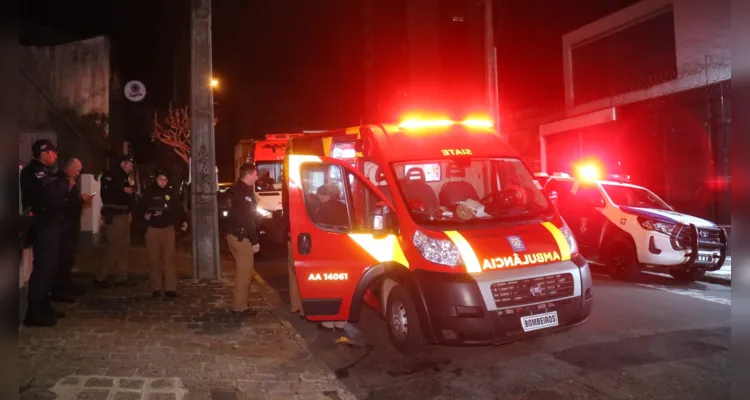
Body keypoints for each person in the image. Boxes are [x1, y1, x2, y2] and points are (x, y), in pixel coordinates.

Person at [19, 139, 69, 326]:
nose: (55, 156)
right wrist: (61, 184)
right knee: (43, 268)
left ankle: (44, 305)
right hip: (43, 224)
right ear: (44, 153)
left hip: (51, 224)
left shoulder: (46, 173)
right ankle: (34, 312)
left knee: (50, 268)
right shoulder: (34, 172)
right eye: (53, 152)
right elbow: (53, 197)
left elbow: (59, 198)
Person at [138, 170, 188, 299]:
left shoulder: (171, 193)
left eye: (165, 180)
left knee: (169, 259)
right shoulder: (149, 192)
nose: (163, 182)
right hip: (152, 229)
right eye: (160, 179)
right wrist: (145, 215)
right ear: (156, 179)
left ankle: (171, 288)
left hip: (168, 229)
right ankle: (156, 288)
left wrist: (184, 221)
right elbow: (140, 208)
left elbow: (178, 208)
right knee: (154, 259)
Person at [52, 158, 93, 302]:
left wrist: (80, 199)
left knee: (68, 258)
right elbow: (62, 201)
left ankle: (66, 285)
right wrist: (80, 200)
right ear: (68, 168)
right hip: (63, 225)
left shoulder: (72, 180)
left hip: (71, 224)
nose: (78, 172)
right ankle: (59, 291)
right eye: (77, 169)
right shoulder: (61, 180)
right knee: (62, 259)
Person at [96, 155, 136, 288]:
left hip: (124, 214)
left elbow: (129, 196)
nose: (131, 168)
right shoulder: (110, 175)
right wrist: (123, 191)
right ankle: (101, 277)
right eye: (129, 165)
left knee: (125, 245)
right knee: (113, 246)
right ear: (122, 164)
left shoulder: (125, 177)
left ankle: (121, 276)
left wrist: (130, 210)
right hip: (114, 214)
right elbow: (108, 195)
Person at [226, 163, 260, 315]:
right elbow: (248, 219)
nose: (257, 177)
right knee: (244, 274)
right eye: (255, 174)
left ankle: (242, 303)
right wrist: (254, 241)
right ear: (249, 175)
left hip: (232, 235)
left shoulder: (234, 190)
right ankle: (239, 307)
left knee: (243, 272)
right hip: (242, 238)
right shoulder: (244, 193)